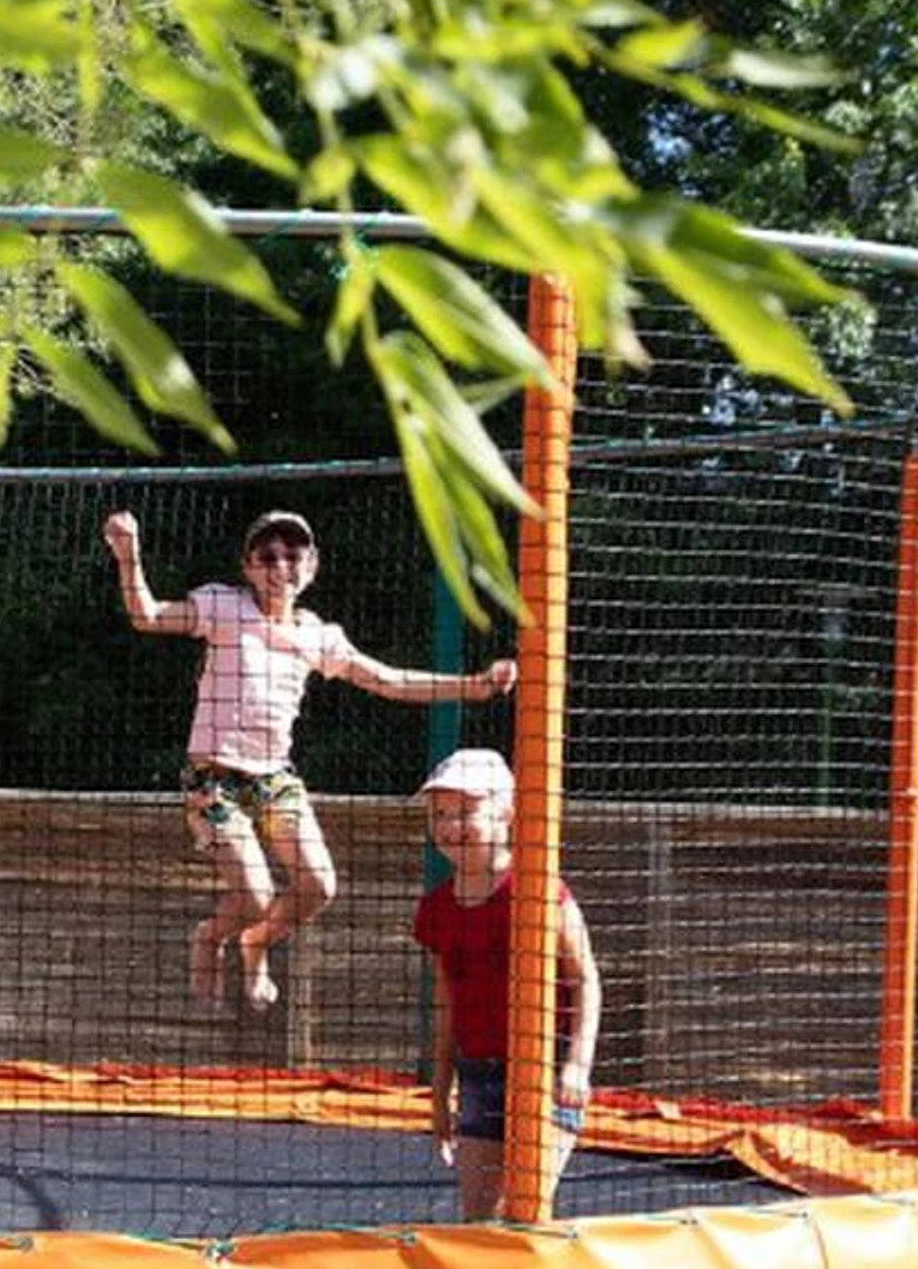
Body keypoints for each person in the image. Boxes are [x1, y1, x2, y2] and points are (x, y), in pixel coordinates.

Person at [102, 507, 517, 1012]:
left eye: (293, 555)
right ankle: (210, 936)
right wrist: (129, 556)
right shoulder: (223, 608)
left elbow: (389, 680)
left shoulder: (319, 635)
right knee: (255, 895)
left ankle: (255, 943)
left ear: (312, 566)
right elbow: (147, 615)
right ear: (248, 566)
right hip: (214, 780)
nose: (281, 565)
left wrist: (474, 686)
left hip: (274, 780)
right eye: (267, 556)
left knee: (318, 885)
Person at [413, 747, 602, 1221]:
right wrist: (441, 1088)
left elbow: (585, 979)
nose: (450, 826)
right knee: (479, 1216)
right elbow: (447, 1003)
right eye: (440, 814)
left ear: (506, 816)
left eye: (465, 812)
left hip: (543, 1070)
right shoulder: (437, 908)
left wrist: (577, 1065)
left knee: (523, 1210)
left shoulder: (537, 891)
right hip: (478, 1073)